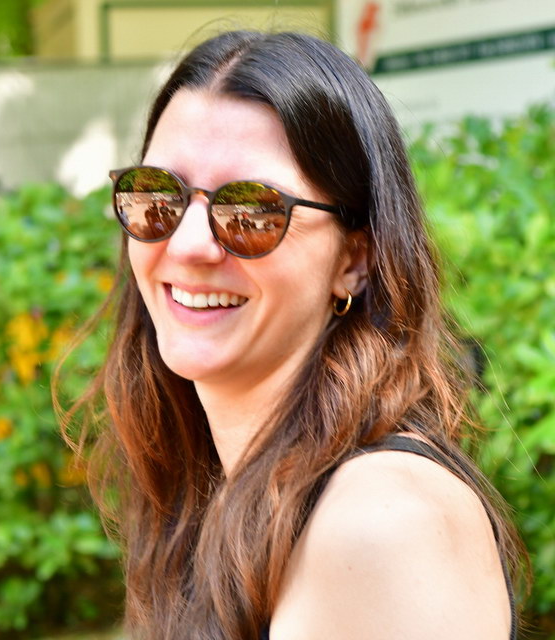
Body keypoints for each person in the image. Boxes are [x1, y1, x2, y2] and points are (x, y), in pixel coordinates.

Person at [58, 31, 527, 640]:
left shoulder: (381, 524)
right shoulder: (234, 494)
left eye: (252, 211)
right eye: (158, 195)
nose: (189, 244)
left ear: (354, 259)